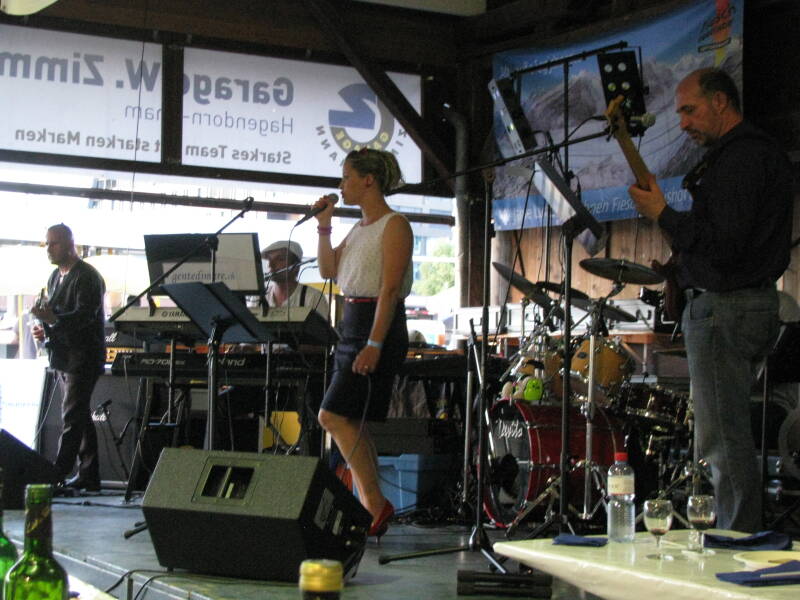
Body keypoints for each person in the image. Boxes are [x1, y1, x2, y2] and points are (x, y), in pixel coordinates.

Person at [628, 68, 793, 532]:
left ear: (720, 102)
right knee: (724, 432)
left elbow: (723, 246)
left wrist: (663, 214)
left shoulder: (741, 159)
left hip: (726, 308)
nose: (682, 122)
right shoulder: (750, 154)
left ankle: (738, 538)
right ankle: (737, 532)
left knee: (722, 437)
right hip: (744, 304)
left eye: (689, 110)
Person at [312, 148, 413, 539]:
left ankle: (374, 504)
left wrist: (374, 343)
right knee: (349, 419)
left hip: (376, 325)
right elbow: (328, 269)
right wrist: (324, 227)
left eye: (346, 177)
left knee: (332, 416)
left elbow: (389, 289)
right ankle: (372, 504)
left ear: (368, 180)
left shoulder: (394, 224)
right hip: (352, 323)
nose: (341, 185)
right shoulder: (359, 228)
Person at [31, 224, 106, 492]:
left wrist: (52, 320)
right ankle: (89, 474)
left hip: (83, 356)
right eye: (47, 243)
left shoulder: (87, 276)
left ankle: (56, 475)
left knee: (72, 416)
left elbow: (84, 316)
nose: (49, 249)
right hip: (63, 355)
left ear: (69, 244)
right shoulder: (55, 276)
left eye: (54, 243)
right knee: (80, 415)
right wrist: (46, 327)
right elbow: (57, 315)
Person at [261, 240, 329, 317]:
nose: (270, 265)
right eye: (269, 259)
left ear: (296, 266)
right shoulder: (259, 297)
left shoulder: (313, 297)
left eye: (280, 259)